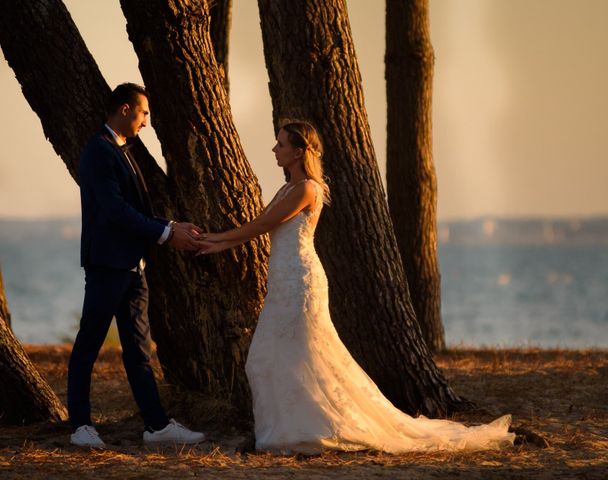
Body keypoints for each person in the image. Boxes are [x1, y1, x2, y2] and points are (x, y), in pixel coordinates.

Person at [197, 120, 515, 454]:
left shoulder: (307, 189)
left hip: (301, 281)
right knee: (274, 358)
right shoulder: (287, 188)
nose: (275, 150)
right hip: (284, 279)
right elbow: (265, 225)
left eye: (280, 144)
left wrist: (217, 241)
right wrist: (217, 243)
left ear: (299, 151)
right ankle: (290, 429)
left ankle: (300, 432)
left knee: (290, 356)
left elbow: (262, 225)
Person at [68, 83, 206, 448]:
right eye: (144, 113)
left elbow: (135, 211)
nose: (147, 121)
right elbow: (114, 212)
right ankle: (80, 427)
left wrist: (171, 226)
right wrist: (166, 232)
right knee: (89, 344)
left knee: (138, 348)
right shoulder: (99, 151)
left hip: (133, 266)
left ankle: (157, 427)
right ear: (126, 109)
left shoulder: (122, 151)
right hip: (108, 265)